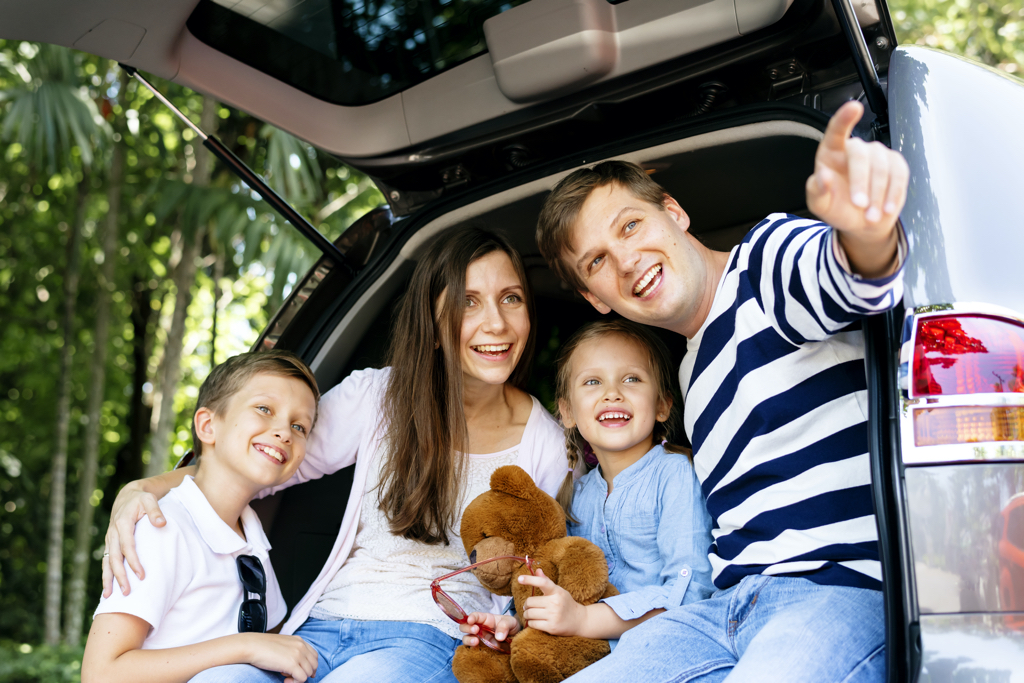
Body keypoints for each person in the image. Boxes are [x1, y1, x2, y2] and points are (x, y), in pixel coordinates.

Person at [534, 101, 909, 682]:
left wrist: (863, 229)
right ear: (596, 299)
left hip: (835, 589)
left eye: (631, 225)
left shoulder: (763, 265)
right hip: (721, 613)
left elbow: (848, 277)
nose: (628, 260)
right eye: (599, 261)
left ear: (675, 213)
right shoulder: (688, 374)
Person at [101, 226, 568, 683]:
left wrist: (514, 622)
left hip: (430, 637)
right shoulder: (378, 395)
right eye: (469, 302)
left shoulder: (544, 443)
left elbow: (544, 573)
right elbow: (258, 463)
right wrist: (141, 489)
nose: (497, 323)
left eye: (512, 298)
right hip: (318, 628)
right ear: (432, 321)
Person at [460, 319, 714, 650]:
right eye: (593, 381)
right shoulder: (577, 496)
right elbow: (554, 579)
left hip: (664, 649)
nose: (613, 393)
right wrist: (515, 622)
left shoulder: (674, 475)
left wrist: (584, 620)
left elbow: (691, 592)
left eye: (632, 379)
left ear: (663, 405)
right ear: (567, 412)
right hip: (588, 654)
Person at [81, 350, 321, 683]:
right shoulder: (164, 528)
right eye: (264, 409)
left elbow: (273, 641)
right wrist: (245, 646)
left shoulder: (253, 542)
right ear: (208, 426)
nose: (284, 432)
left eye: (300, 426)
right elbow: (101, 674)